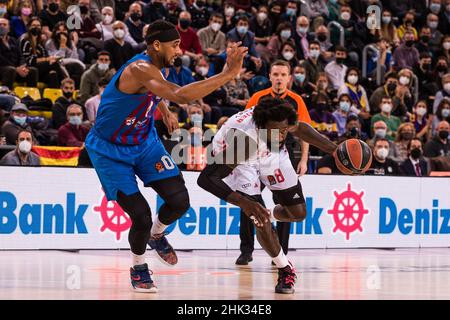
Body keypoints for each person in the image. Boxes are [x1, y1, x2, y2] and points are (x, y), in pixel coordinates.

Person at [84, 20, 247, 293]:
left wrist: (164, 110)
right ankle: (138, 267)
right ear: (157, 45)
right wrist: (228, 74)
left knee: (180, 201)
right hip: (110, 150)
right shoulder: (138, 68)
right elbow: (179, 94)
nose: (179, 49)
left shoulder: (157, 66)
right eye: (175, 44)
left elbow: (156, 91)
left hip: (144, 141)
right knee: (141, 216)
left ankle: (157, 235)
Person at [197, 97, 339, 294]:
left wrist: (335, 150)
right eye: (276, 131)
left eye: (284, 131)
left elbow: (300, 128)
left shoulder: (278, 120)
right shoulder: (244, 141)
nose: (281, 135)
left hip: (270, 153)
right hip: (240, 163)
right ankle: (285, 268)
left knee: (298, 213)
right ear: (262, 126)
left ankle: (266, 214)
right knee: (258, 217)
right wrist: (243, 203)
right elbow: (205, 179)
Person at [239, 60, 311, 266]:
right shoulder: (257, 98)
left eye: (283, 75)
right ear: (269, 76)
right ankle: (246, 250)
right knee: (248, 203)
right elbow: (244, 126)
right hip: (254, 158)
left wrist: (304, 160)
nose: (279, 78)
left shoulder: (297, 101)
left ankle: (281, 253)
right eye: (275, 74)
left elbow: (304, 133)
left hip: (281, 158)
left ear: (289, 78)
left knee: (287, 206)